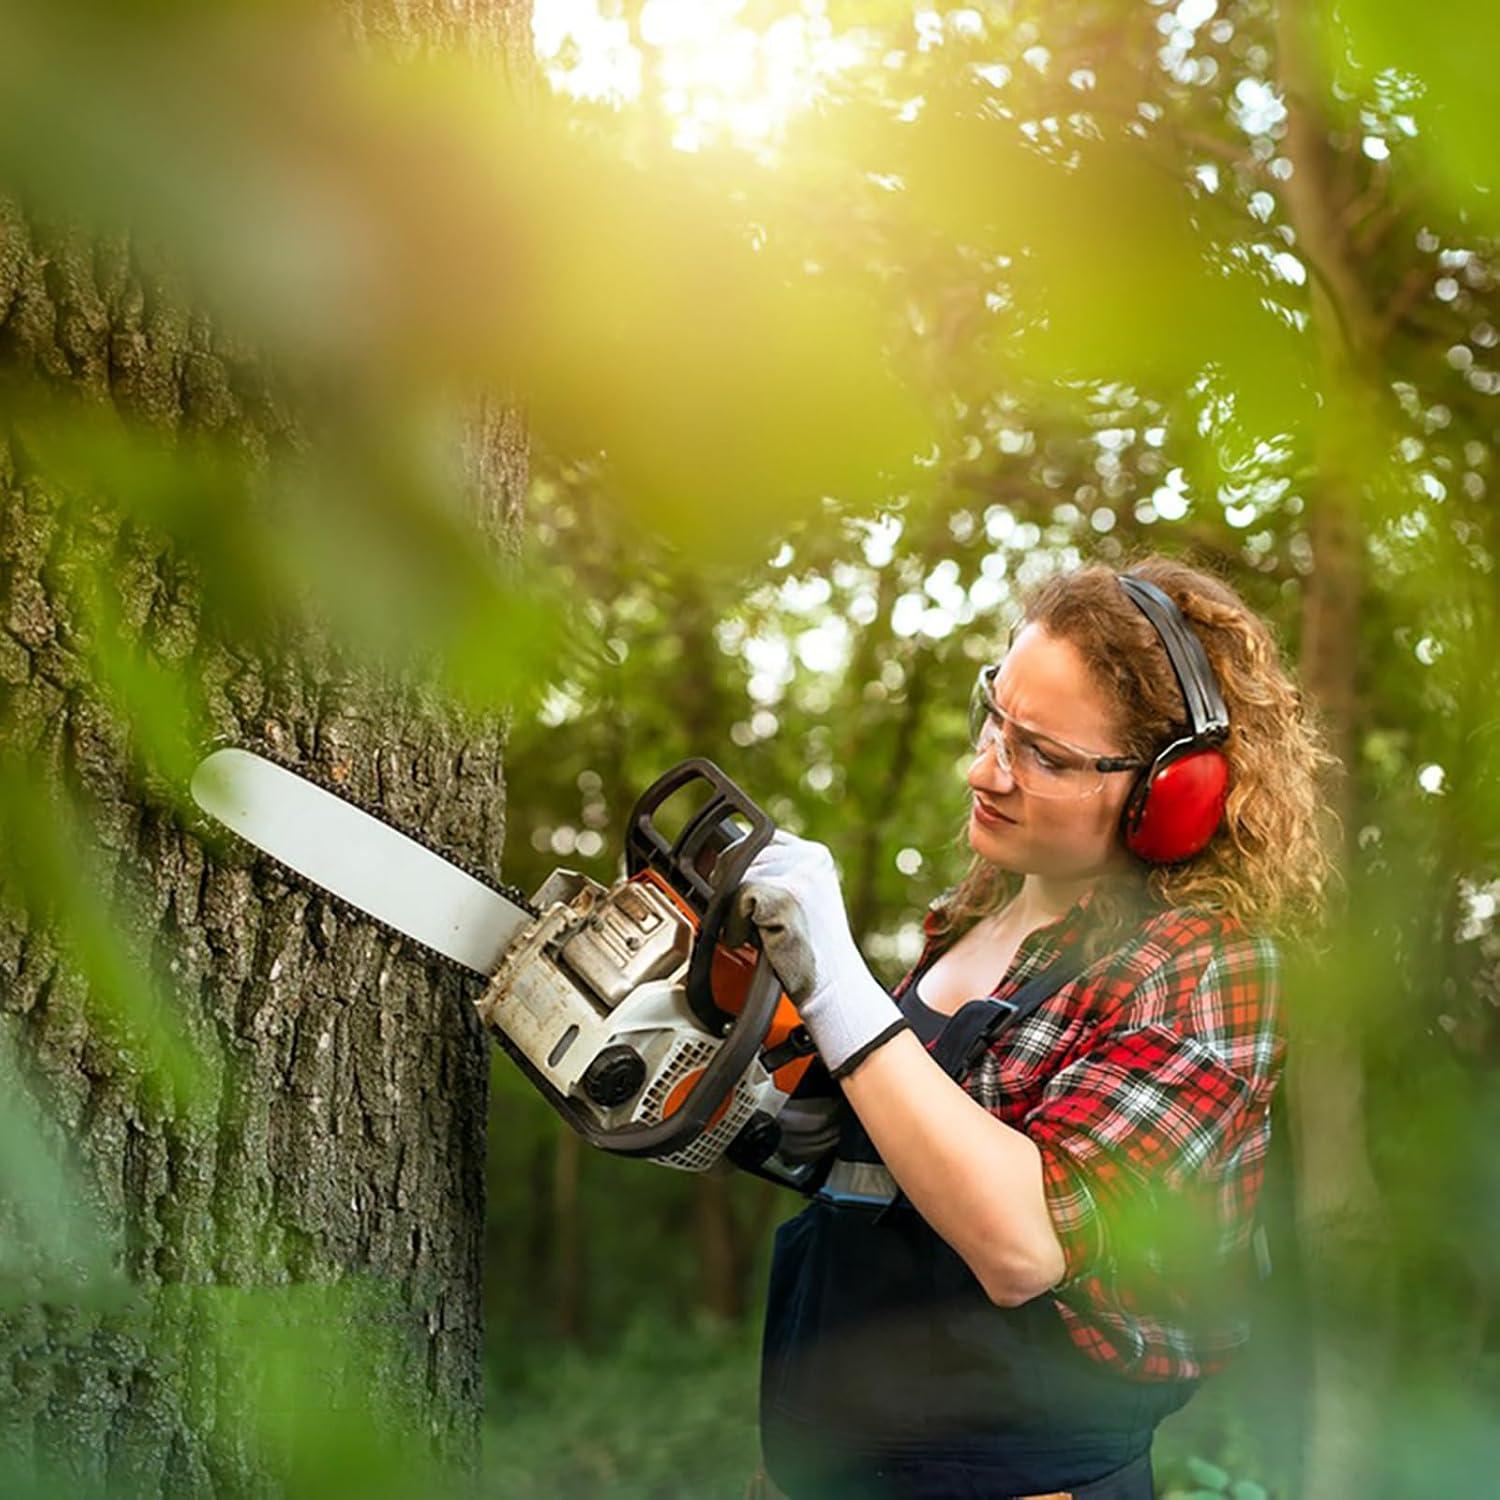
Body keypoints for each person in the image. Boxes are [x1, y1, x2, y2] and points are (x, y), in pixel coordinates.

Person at [734, 556, 1335, 1500]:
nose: (985, 768)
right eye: (995, 720)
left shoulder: (1202, 967)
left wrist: (836, 980)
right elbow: (891, 1166)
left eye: (1043, 755)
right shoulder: (971, 917)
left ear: (1173, 791)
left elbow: (1023, 1246)